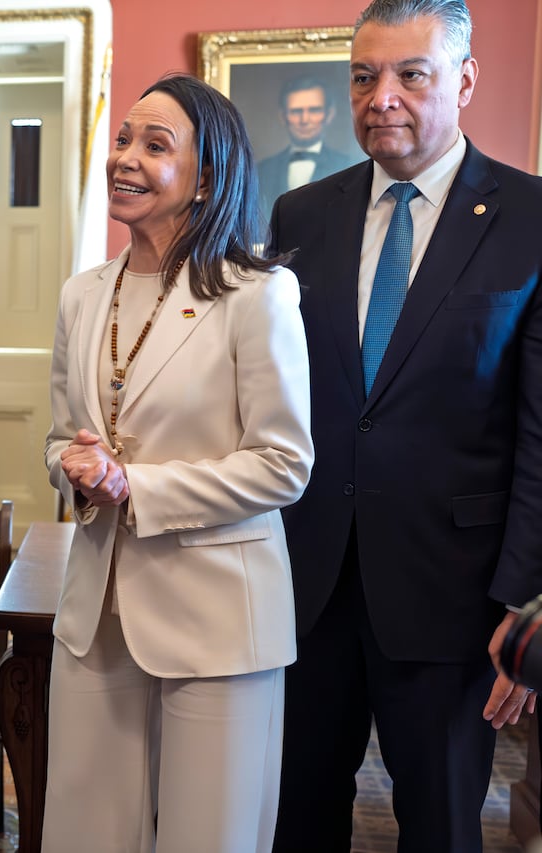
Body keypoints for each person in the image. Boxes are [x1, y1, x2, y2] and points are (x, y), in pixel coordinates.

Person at [267, 2, 542, 851]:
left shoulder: (530, 217)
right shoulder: (300, 216)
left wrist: (525, 599)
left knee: (442, 826)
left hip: (454, 597)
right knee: (294, 816)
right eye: (363, 75)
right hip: (307, 584)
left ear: (462, 81)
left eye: (410, 74)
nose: (382, 96)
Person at [41, 73, 313, 852]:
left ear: (206, 178)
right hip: (98, 608)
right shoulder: (83, 295)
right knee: (84, 830)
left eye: (155, 145)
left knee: (210, 835)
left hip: (219, 611)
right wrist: (78, 466)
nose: (125, 157)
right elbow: (64, 436)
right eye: (123, 138)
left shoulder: (257, 296)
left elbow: (284, 463)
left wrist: (140, 486)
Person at [256, 75, 361, 216]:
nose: (304, 120)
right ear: (283, 116)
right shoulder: (262, 171)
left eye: (314, 110)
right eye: (296, 111)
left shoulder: (350, 167)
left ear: (329, 115)